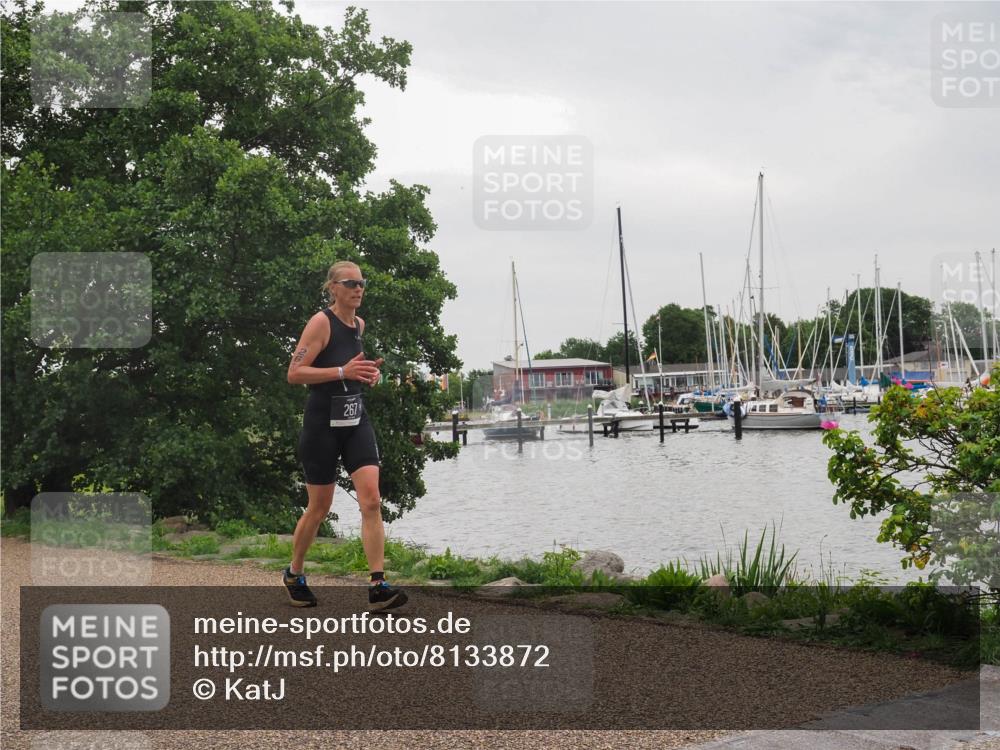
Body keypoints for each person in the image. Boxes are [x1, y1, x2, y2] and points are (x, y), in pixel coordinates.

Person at [284, 260, 406, 611]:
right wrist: (343, 370)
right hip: (322, 425)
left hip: (355, 421)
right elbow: (295, 373)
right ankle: (294, 573)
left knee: (371, 499)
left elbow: (351, 371)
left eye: (362, 283)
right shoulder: (321, 323)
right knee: (319, 507)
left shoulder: (359, 325)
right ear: (333, 288)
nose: (358, 288)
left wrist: (366, 375)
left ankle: (378, 585)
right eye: (350, 283)